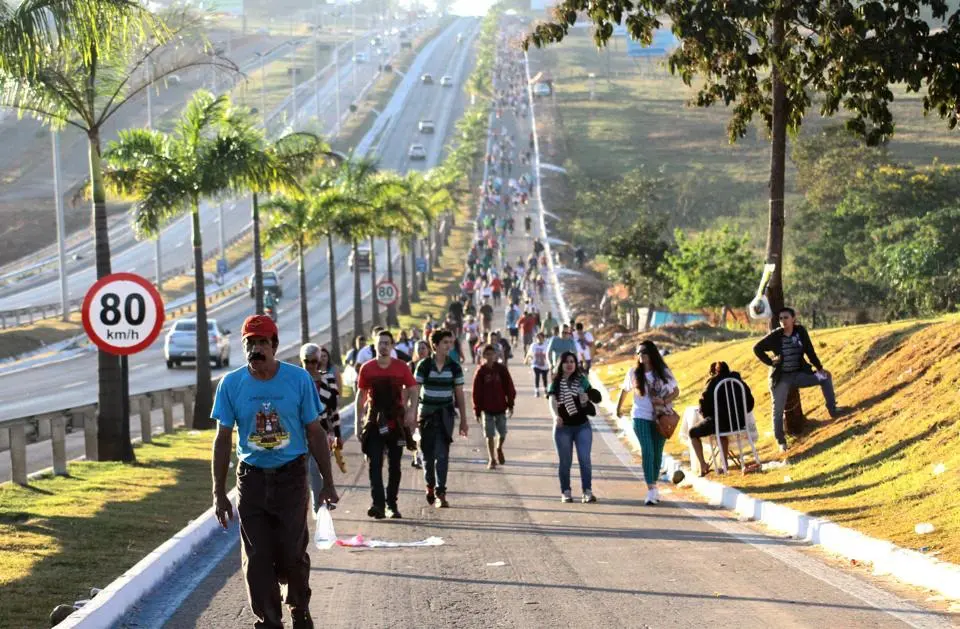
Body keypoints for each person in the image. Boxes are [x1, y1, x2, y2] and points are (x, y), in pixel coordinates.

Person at [211, 315, 338, 629]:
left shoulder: (297, 380)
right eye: (250, 343)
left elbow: (315, 432)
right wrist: (218, 492)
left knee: (291, 554)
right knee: (257, 558)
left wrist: (327, 482)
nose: (256, 349)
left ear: (275, 346)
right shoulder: (231, 384)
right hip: (251, 479)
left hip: (291, 478)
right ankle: (268, 621)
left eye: (262, 343)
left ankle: (299, 608)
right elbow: (223, 437)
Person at [753, 307, 845, 452]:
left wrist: (819, 368)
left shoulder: (800, 332)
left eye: (786, 317)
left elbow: (809, 350)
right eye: (781, 318)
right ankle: (781, 441)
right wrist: (771, 362)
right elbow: (757, 348)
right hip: (781, 378)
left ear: (793, 318)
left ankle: (833, 410)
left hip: (798, 375)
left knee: (825, 377)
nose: (783, 321)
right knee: (777, 409)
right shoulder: (776, 335)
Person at [355, 330, 419, 520]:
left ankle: (392, 504)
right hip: (374, 421)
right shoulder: (367, 368)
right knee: (374, 463)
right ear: (375, 345)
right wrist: (359, 423)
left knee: (395, 465)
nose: (383, 346)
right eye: (380, 343)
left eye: (387, 343)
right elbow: (361, 395)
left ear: (392, 346)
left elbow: (413, 389)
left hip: (396, 423)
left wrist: (411, 410)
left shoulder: (401, 367)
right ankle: (378, 504)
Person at [615, 341, 679, 505]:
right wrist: (618, 408)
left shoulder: (663, 372)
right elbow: (625, 390)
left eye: (644, 352)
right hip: (640, 416)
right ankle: (651, 489)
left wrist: (664, 401)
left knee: (657, 454)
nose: (640, 356)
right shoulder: (634, 373)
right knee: (648, 451)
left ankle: (654, 486)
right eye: (638, 353)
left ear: (651, 354)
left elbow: (676, 391)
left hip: (660, 417)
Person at [415, 329, 469, 508]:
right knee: (427, 456)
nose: (448, 346)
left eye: (450, 343)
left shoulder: (454, 366)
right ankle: (429, 485)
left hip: (445, 416)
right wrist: (412, 415)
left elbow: (459, 394)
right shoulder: (424, 365)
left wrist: (464, 420)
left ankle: (441, 492)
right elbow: (415, 391)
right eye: (445, 342)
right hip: (426, 417)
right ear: (435, 345)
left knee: (442, 454)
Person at [547, 351, 599, 504]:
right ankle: (566, 491)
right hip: (563, 428)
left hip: (582, 426)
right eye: (566, 361)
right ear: (561, 364)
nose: (569, 364)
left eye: (572, 361)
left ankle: (587, 492)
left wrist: (587, 397)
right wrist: (555, 416)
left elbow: (595, 396)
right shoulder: (555, 383)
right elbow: (552, 400)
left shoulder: (581, 380)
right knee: (565, 461)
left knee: (585, 460)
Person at [688, 361, 755, 476]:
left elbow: (704, 404)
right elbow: (750, 403)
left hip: (720, 423)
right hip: (738, 422)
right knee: (721, 433)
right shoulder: (738, 381)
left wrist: (707, 416)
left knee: (692, 432)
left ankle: (703, 465)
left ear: (713, 373)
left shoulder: (713, 382)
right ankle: (724, 465)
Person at [301, 343, 343, 516]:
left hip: (323, 431)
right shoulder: (298, 380)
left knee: (316, 469)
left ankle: (319, 507)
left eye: (313, 361)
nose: (310, 365)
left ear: (319, 361)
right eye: (306, 361)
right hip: (301, 432)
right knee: (303, 472)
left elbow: (333, 409)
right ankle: (303, 506)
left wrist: (337, 434)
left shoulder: (329, 380)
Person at [472, 344, 517, 469]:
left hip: (501, 407)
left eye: (492, 354)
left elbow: (509, 387)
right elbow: (476, 392)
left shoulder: (501, 369)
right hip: (487, 409)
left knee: (502, 433)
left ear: (496, 355)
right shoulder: (481, 372)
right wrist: (477, 410)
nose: (489, 356)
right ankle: (491, 458)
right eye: (487, 354)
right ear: (483, 356)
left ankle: (499, 448)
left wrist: (510, 404)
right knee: (489, 434)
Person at [407, 340, 431, 470]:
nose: (421, 351)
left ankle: (426, 455)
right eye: (419, 348)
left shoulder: (432, 365)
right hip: (413, 402)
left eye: (423, 348)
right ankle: (416, 456)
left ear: (428, 350)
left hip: (426, 403)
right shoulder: (410, 366)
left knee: (425, 432)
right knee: (415, 431)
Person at [526, 331, 550, 398]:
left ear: (543, 338)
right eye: (537, 337)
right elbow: (529, 353)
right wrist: (526, 359)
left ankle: (545, 390)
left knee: (544, 378)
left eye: (540, 337)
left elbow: (550, 353)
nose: (538, 338)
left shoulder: (547, 345)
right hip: (536, 364)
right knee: (537, 376)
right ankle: (536, 391)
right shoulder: (533, 345)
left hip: (545, 365)